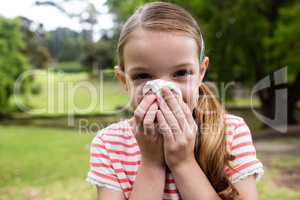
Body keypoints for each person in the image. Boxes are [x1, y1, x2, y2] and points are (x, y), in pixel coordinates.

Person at [86, 2, 264, 200]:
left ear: (201, 72)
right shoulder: (109, 145)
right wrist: (151, 163)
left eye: (181, 73)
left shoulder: (232, 133)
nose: (163, 90)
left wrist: (183, 162)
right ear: (123, 80)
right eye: (143, 75)